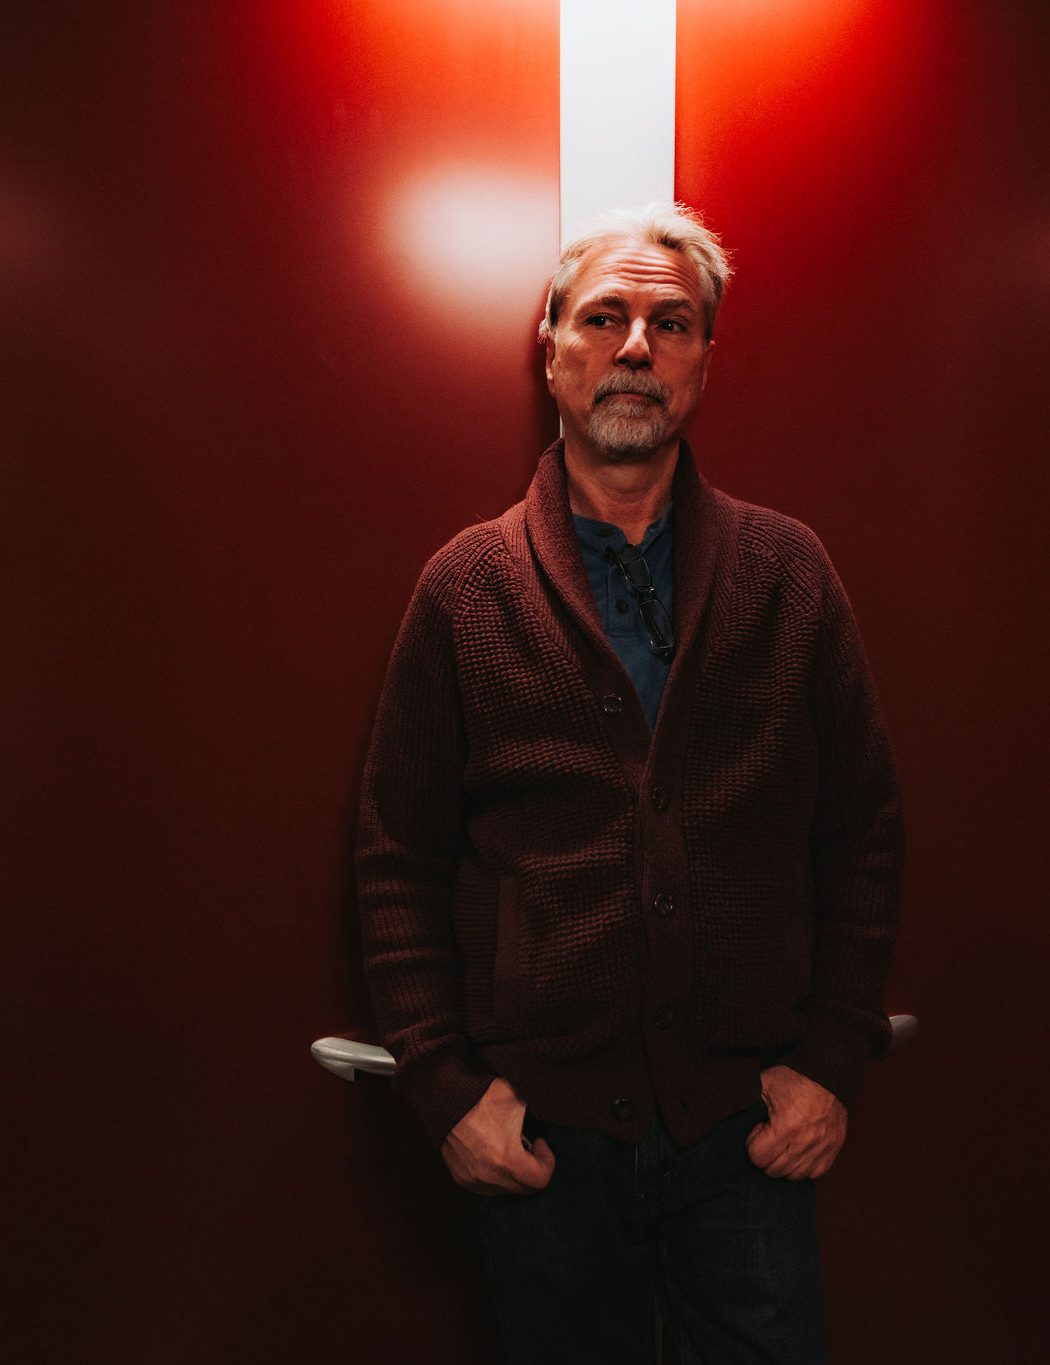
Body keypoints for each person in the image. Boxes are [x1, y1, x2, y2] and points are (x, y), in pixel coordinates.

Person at [356, 203, 903, 1363]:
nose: (636, 348)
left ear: (705, 358)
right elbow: (396, 855)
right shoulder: (466, 586)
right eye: (603, 317)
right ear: (548, 344)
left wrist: (830, 1062)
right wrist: (446, 1088)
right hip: (543, 1139)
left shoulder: (787, 573)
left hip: (746, 1130)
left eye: (673, 323)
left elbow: (861, 834)